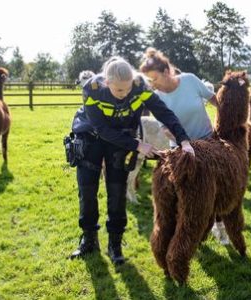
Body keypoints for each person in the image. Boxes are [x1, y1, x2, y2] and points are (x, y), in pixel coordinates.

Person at [68, 56, 194, 265]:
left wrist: (184, 140)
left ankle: (115, 246)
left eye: (127, 90)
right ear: (107, 83)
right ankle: (89, 241)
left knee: (117, 192)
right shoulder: (93, 88)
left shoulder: (139, 86)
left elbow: (163, 112)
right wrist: (138, 145)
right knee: (87, 190)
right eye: (119, 91)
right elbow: (101, 129)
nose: (124, 95)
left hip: (121, 139)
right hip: (91, 136)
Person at [139, 47, 230, 245]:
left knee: (216, 188)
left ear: (166, 72)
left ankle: (219, 226)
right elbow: (165, 129)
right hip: (180, 149)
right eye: (149, 81)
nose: (153, 85)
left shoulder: (190, 80)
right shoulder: (157, 97)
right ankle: (187, 234)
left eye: (154, 79)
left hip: (208, 141)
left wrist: (228, 120)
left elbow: (214, 101)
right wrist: (185, 142)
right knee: (187, 194)